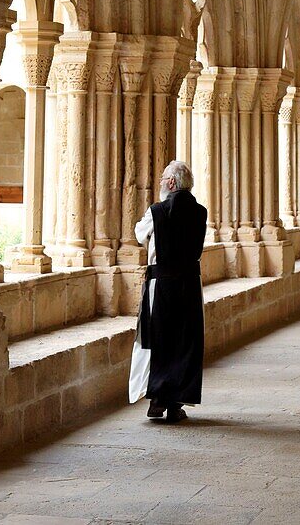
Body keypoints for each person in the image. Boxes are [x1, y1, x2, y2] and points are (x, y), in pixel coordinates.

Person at [128, 160, 207, 423]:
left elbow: (140, 234)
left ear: (171, 183)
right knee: (185, 342)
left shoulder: (157, 211)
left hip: (160, 284)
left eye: (163, 178)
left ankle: (158, 400)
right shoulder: (200, 212)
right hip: (189, 285)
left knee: (160, 338)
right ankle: (175, 404)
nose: (161, 182)